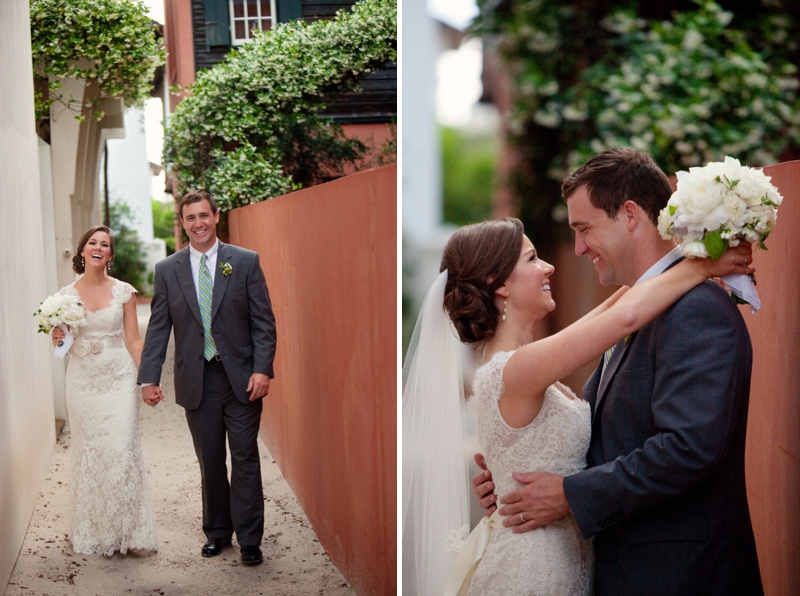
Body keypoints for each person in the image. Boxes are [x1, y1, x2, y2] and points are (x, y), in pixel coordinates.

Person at [472, 149, 764, 595]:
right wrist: (518, 471)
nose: (577, 248)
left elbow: (689, 448)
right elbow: (609, 434)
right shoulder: (640, 307)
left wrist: (570, 493)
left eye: (584, 228)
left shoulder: (696, 310)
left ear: (629, 215)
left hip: (680, 576)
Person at [137, 190, 277, 566]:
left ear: (216, 216)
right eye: (190, 218)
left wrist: (263, 369)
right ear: (182, 224)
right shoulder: (168, 270)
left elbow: (263, 321)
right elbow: (158, 329)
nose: (198, 223)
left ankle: (250, 539)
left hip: (242, 378)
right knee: (210, 459)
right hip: (196, 380)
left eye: (204, 215)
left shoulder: (245, 262)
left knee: (245, 457)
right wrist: (149, 378)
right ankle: (218, 532)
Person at [51, 226, 158, 557]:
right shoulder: (63, 296)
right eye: (93, 243)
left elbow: (134, 339)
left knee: (121, 448)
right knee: (90, 453)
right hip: (82, 382)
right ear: (82, 251)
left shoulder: (124, 292)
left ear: (110, 255)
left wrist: (148, 378)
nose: (98, 247)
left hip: (119, 379)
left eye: (106, 244)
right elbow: (61, 349)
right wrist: (58, 339)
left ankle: (128, 531)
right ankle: (94, 531)